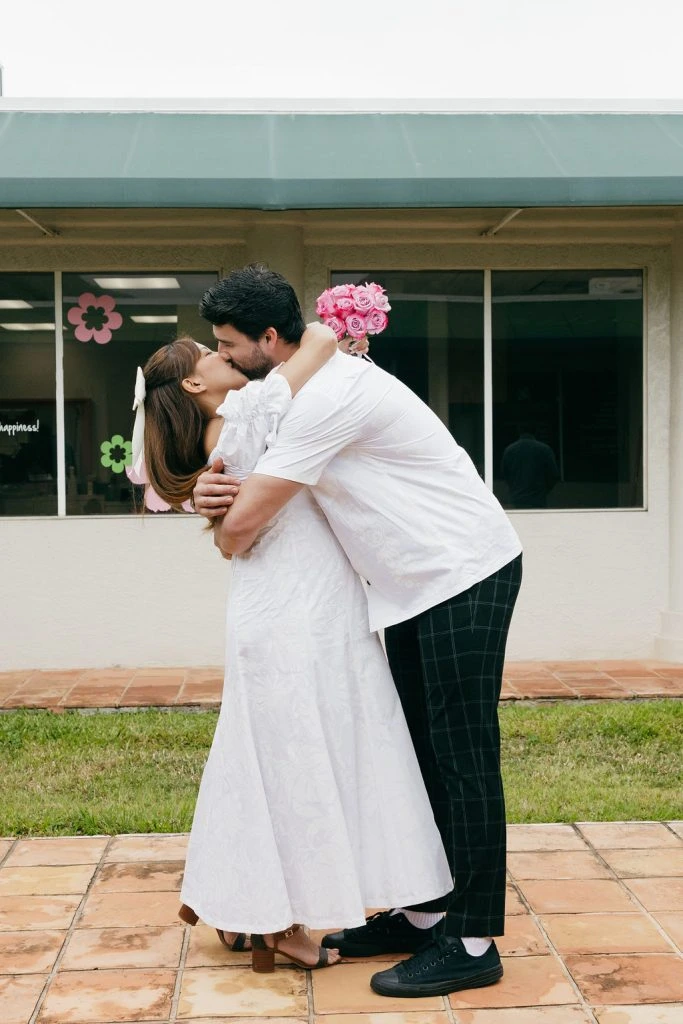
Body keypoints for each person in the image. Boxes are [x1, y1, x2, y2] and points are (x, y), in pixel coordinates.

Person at [193, 264, 523, 998]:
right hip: (408, 586)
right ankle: (421, 913)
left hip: (463, 570)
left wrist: (223, 512)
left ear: (267, 340)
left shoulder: (329, 399)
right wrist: (210, 490)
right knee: (422, 749)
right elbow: (239, 485)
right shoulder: (303, 388)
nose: (220, 359)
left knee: (462, 753)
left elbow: (243, 530)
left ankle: (470, 942)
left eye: (225, 345)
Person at [135, 324, 452, 974]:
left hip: (304, 602)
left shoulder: (236, 423)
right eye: (214, 352)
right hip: (296, 611)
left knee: (287, 753)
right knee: (299, 756)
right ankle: (278, 921)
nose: (227, 356)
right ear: (196, 383)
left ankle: (251, 904)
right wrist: (335, 327)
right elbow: (312, 349)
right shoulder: (245, 414)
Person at [501, 423, 560, 509]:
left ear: (519, 431)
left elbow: (504, 474)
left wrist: (515, 488)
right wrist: (543, 490)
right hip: (538, 499)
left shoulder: (509, 450)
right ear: (535, 432)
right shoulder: (544, 449)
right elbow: (554, 475)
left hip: (517, 499)